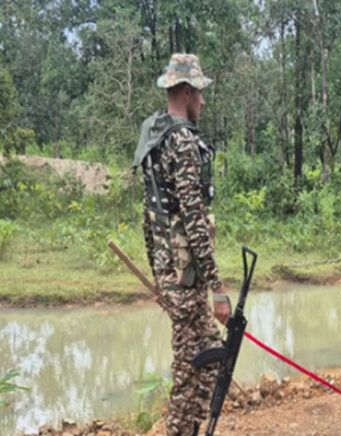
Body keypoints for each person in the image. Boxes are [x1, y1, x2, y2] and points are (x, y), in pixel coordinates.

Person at [132, 53, 230, 435]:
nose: (203, 102)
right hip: (187, 279)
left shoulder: (154, 135)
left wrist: (157, 275)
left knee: (209, 354)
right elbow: (193, 220)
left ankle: (190, 428)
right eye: (200, 94)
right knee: (191, 370)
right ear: (186, 92)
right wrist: (218, 287)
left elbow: (150, 216)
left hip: (169, 272)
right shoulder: (183, 141)